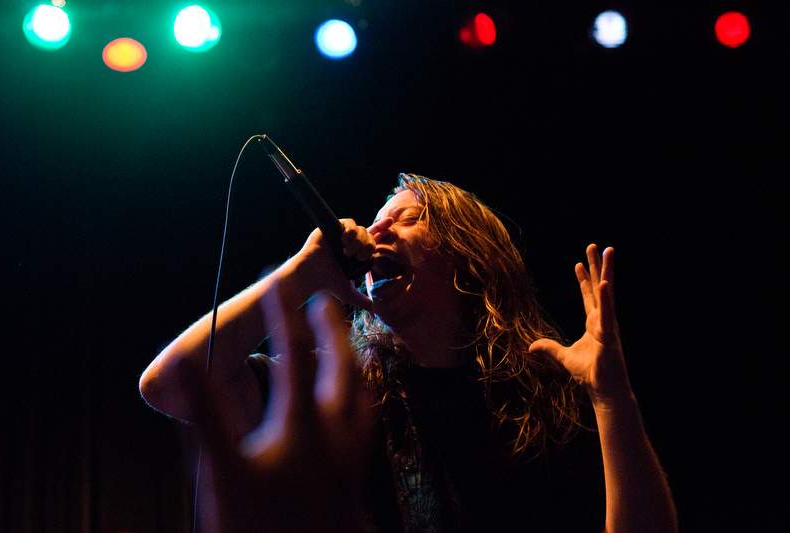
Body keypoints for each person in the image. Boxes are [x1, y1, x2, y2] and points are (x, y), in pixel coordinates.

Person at [139, 173, 678, 533]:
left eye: (406, 217)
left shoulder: (548, 397)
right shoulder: (339, 394)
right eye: (377, 219)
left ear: (469, 253)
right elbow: (168, 385)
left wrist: (613, 399)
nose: (377, 229)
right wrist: (299, 274)